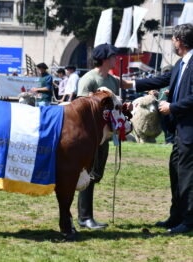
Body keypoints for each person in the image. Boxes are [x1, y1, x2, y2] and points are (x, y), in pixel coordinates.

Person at [123, 23, 193, 234]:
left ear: (180, 40)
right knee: (176, 173)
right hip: (179, 131)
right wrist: (132, 85)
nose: (172, 42)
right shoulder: (182, 64)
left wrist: (173, 106)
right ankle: (176, 217)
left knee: (187, 177)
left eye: (173, 39)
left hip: (190, 131)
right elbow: (163, 80)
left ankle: (189, 222)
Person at [77, 43, 120, 229]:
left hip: (106, 137)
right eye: (112, 56)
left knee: (96, 175)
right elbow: (79, 107)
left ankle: (86, 216)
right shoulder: (88, 79)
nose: (115, 59)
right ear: (104, 58)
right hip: (90, 137)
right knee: (88, 176)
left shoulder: (113, 81)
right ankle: (85, 217)